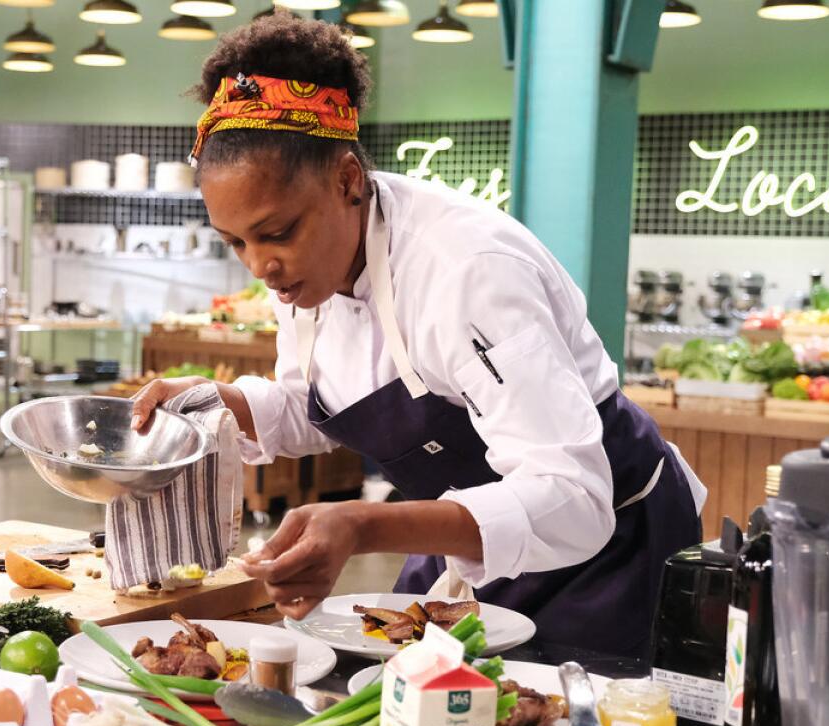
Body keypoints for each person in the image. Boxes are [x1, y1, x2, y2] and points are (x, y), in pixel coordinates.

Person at [131, 13, 705, 658]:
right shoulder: (309, 277)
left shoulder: (467, 268)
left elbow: (573, 500)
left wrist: (363, 523)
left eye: (278, 233)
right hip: (464, 546)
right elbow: (314, 405)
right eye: (236, 242)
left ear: (347, 179)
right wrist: (216, 403)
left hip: (608, 556)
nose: (260, 267)